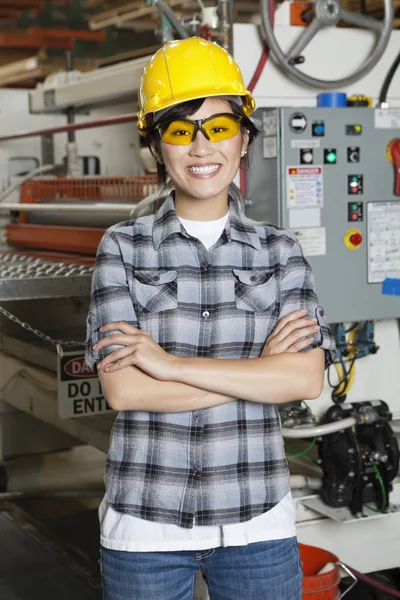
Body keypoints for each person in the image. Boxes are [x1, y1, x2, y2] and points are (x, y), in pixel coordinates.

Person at [86, 37, 336, 600]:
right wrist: (259, 372)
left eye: (218, 128)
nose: (201, 147)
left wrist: (169, 365)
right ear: (156, 145)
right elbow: (125, 390)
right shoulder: (122, 248)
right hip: (144, 524)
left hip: (257, 525)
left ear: (244, 137)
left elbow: (303, 379)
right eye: (180, 130)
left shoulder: (280, 251)